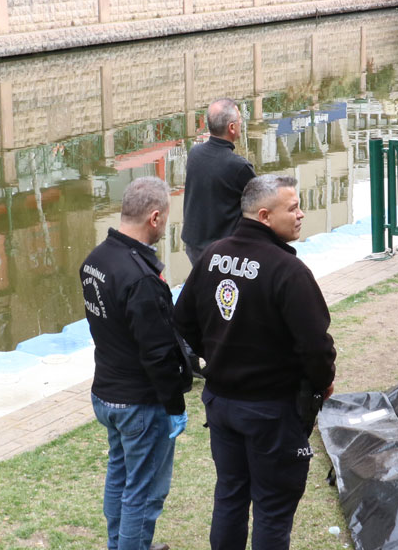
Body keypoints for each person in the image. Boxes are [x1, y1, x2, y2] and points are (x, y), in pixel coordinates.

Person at [174, 174, 337, 550]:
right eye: (292, 208)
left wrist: (216, 353)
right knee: (273, 509)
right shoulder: (289, 272)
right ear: (264, 216)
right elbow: (316, 347)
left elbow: (183, 321)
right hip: (271, 411)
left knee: (230, 496)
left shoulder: (213, 255)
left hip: (222, 403)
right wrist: (321, 382)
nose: (301, 214)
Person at [82, 177, 194, 550]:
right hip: (139, 403)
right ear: (155, 217)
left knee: (120, 475)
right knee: (144, 492)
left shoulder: (95, 260)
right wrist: (175, 405)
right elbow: (158, 353)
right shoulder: (141, 278)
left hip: (107, 394)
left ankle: (120, 545)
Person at [182, 98, 256, 267]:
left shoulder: (195, 153)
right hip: (223, 252)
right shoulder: (238, 166)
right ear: (231, 127)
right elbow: (261, 204)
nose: (241, 123)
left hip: (193, 245)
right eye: (239, 120)